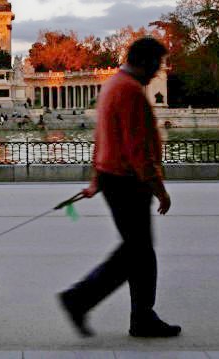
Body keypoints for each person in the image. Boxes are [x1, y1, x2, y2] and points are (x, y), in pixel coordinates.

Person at [58, 37, 181, 338]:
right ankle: (81, 299)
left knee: (137, 251)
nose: (157, 73)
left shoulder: (113, 85)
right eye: (157, 65)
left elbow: (102, 137)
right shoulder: (129, 90)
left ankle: (140, 316)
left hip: (113, 176)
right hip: (128, 181)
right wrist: (159, 188)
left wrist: (96, 180)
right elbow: (137, 148)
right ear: (147, 62)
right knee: (136, 252)